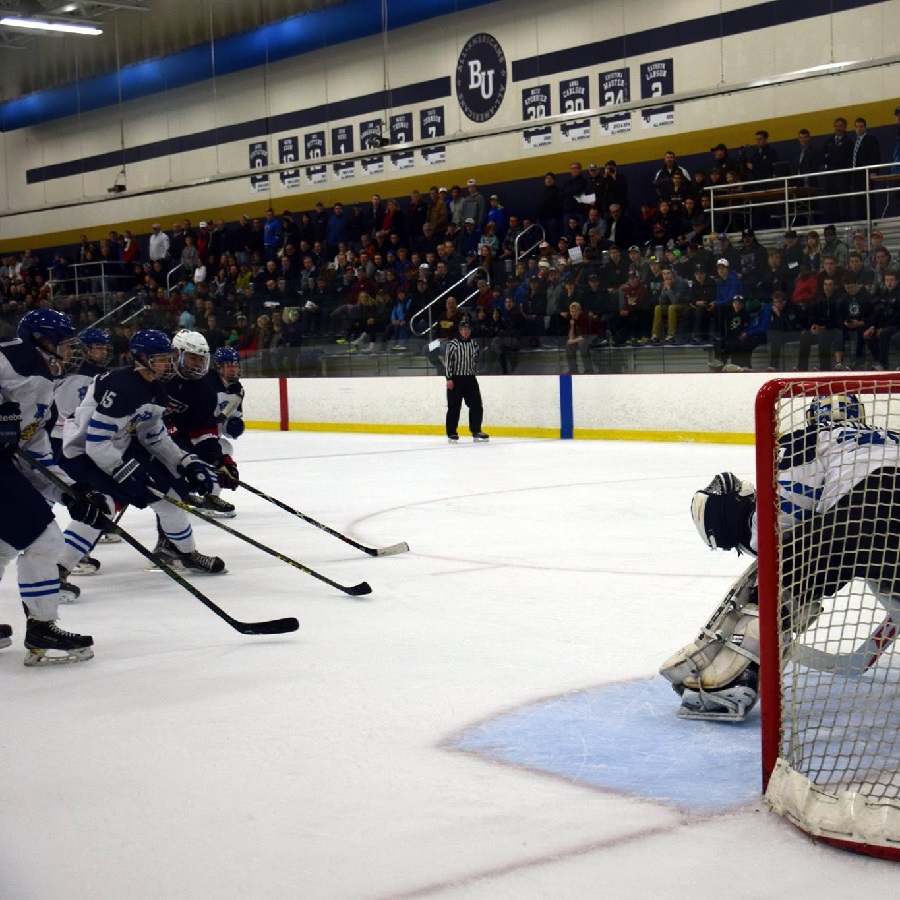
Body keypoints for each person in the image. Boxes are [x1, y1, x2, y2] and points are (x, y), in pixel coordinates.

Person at [660, 393, 900, 721]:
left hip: (875, 513)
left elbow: (776, 525)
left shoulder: (807, 439)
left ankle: (730, 682)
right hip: (881, 534)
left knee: (784, 565)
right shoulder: (888, 436)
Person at [56, 329, 226, 578]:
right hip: (81, 452)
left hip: (116, 450)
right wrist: (125, 471)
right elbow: (95, 443)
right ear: (140, 358)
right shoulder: (122, 387)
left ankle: (186, 554)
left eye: (167, 357)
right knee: (102, 506)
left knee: (169, 500)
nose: (165, 364)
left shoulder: (157, 390)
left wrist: (185, 461)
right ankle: (57, 570)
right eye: (158, 358)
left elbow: (154, 436)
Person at [0, 310, 104, 665]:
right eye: (63, 343)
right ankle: (42, 625)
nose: (69, 350)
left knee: (2, 544)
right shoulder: (17, 358)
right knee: (45, 540)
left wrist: (72, 492)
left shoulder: (43, 390)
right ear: (42, 342)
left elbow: (35, 453)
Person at [444, 318, 488, 443]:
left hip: (470, 378)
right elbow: (448, 362)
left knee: (476, 405)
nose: (466, 332)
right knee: (454, 407)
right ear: (459, 331)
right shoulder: (453, 344)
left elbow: (476, 358)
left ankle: (476, 430)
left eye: (468, 329)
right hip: (456, 379)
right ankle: (451, 432)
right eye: (463, 329)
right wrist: (449, 378)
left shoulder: (474, 344)